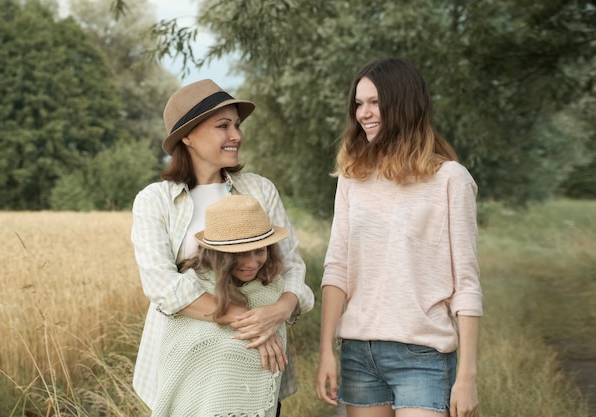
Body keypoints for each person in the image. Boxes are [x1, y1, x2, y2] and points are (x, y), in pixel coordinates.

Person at [131, 79, 315, 415]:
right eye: (223, 126)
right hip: (189, 368)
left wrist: (279, 311)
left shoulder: (259, 190)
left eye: (237, 126)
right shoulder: (155, 201)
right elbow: (161, 285)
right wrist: (249, 320)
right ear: (187, 135)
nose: (237, 136)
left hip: (254, 365)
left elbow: (291, 265)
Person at [315, 58, 483, 417]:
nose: (364, 113)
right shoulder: (352, 177)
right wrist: (326, 350)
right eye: (359, 104)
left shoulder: (451, 179)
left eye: (375, 102)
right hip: (359, 352)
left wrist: (466, 375)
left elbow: (466, 284)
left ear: (404, 103)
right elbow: (337, 268)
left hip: (423, 355)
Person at [152, 194, 290, 417]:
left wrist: (266, 324)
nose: (252, 262)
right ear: (219, 254)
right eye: (241, 253)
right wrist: (255, 328)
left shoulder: (271, 288)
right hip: (199, 407)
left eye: (260, 250)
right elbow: (181, 355)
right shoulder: (191, 288)